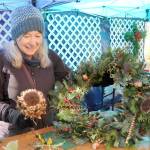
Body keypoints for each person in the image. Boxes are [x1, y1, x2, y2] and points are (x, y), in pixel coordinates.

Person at [0, 5, 70, 139]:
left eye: (37, 35)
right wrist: (14, 116)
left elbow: (69, 81)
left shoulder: (51, 57)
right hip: (16, 134)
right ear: (16, 36)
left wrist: (94, 77)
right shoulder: (3, 60)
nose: (33, 42)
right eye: (27, 36)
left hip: (48, 130)